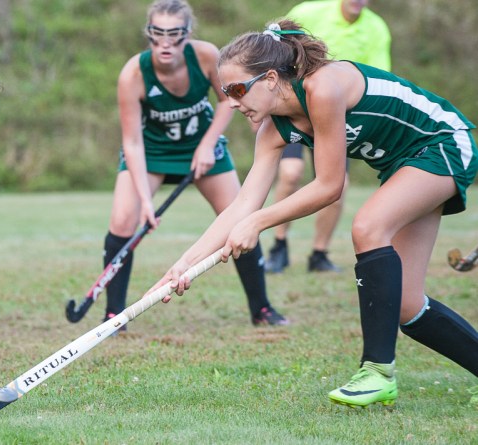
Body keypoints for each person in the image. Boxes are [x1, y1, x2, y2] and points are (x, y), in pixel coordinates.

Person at [155, 19, 478, 408]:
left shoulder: (323, 87)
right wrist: (184, 263)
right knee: (407, 304)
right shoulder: (273, 130)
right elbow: (242, 204)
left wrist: (258, 222)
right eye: (225, 93)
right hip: (402, 165)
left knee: (368, 226)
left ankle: (377, 371)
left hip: (443, 143)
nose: (233, 102)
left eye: (239, 89)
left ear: (271, 78)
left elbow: (329, 186)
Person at [102, 0, 287, 329]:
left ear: (187, 34)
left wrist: (206, 145)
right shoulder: (133, 73)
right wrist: (146, 201)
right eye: (157, 33)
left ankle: (261, 309)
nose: (165, 43)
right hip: (152, 150)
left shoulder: (205, 56)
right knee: (122, 221)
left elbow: (228, 101)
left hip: (202, 146)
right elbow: (131, 141)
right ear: (149, 33)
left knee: (239, 219)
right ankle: (114, 315)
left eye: (175, 34)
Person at [265, 0, 392, 274]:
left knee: (338, 186)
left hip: (335, 114)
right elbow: (275, 52)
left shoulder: (376, 28)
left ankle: (319, 253)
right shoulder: (308, 12)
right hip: (296, 109)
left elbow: (380, 77)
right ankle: (279, 245)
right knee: (290, 172)